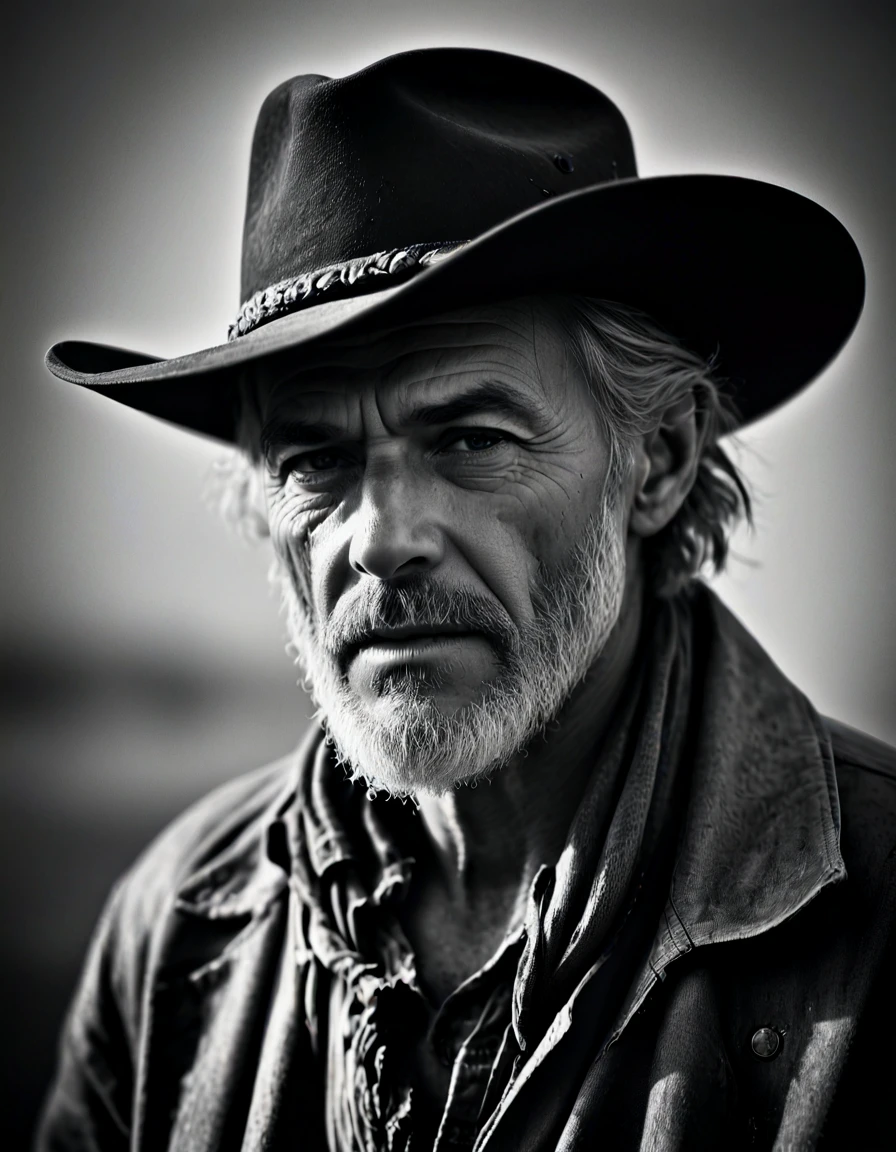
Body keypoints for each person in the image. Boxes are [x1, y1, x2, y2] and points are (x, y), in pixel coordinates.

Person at [36, 47, 895, 1151]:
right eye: (314, 461)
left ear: (659, 461)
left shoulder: (875, 915)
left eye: (470, 438)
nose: (383, 540)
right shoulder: (175, 928)